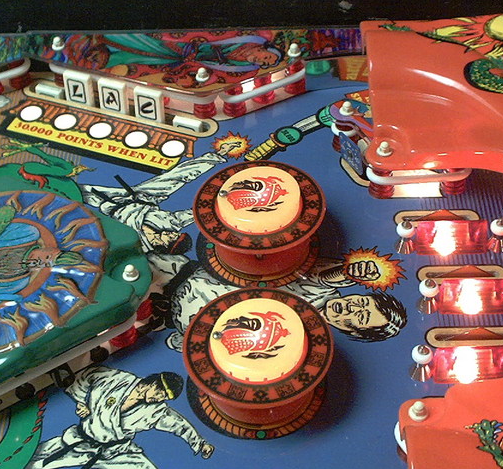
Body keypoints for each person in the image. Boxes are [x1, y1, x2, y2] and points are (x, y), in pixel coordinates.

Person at [25, 365, 214, 469]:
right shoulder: (117, 379)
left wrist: (200, 444)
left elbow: (179, 424)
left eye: (165, 397)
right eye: (160, 393)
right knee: (30, 461)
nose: (159, 399)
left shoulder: (156, 411)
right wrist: (81, 400)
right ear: (153, 383)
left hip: (117, 452)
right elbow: (87, 375)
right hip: (80, 442)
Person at [156, 256, 408, 353]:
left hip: (165, 323)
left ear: (355, 331)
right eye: (362, 302)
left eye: (361, 317)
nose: (353, 307)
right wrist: (349, 272)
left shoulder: (304, 344)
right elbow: (323, 276)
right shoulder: (321, 290)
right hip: (176, 275)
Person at [80, 142, 239, 254]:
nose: (174, 234)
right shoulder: (172, 224)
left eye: (174, 239)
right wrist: (227, 203)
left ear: (166, 247)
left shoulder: (140, 247)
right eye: (177, 235)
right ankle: (216, 156)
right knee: (175, 178)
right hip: (141, 198)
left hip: (110, 209)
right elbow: (199, 212)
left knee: (76, 196)